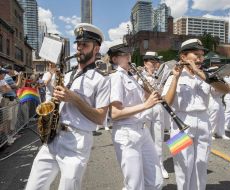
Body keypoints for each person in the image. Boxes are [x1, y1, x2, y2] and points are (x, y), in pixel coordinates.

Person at [25, 23, 110, 190]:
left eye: (85, 45)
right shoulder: (68, 74)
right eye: (78, 44)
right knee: (33, 187)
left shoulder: (102, 79)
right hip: (53, 137)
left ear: (96, 48)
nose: (79, 48)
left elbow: (100, 117)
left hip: (76, 142)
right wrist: (48, 108)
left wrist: (74, 99)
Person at [162, 39, 230, 190]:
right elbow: (166, 102)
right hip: (180, 123)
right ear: (183, 57)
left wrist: (200, 73)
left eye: (202, 55)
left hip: (204, 122)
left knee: (201, 164)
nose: (200, 58)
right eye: (196, 54)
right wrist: (175, 78)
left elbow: (226, 89)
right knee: (183, 165)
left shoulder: (207, 75)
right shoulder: (174, 75)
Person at [108, 43, 163, 190]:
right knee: (135, 185)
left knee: (156, 179)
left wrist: (150, 92)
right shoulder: (116, 78)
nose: (129, 57)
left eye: (129, 54)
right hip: (127, 132)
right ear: (114, 59)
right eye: (124, 55)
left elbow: (145, 98)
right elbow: (115, 113)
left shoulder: (131, 76)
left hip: (141, 129)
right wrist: (146, 105)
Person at [142, 51, 169, 179]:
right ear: (145, 63)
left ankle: (160, 166)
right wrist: (147, 76)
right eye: (152, 62)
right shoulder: (138, 75)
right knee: (145, 139)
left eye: (156, 62)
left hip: (158, 108)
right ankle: (145, 166)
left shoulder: (161, 76)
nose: (154, 65)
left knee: (158, 139)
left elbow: (163, 92)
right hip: (145, 109)